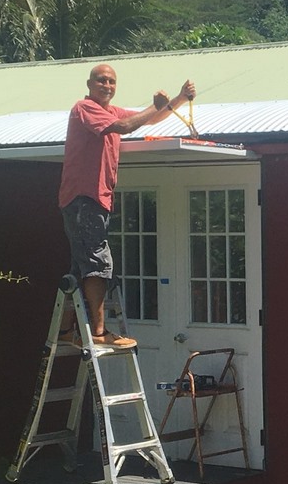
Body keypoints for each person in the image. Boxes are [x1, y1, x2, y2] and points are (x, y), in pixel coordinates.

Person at [58, 63, 196, 348]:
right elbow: (124, 126)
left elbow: (149, 120)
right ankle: (98, 333)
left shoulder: (111, 110)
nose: (107, 85)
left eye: (111, 81)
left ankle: (68, 330)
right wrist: (154, 105)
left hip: (96, 199)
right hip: (84, 199)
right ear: (89, 84)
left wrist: (179, 98)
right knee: (98, 263)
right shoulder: (85, 108)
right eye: (101, 80)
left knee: (81, 267)